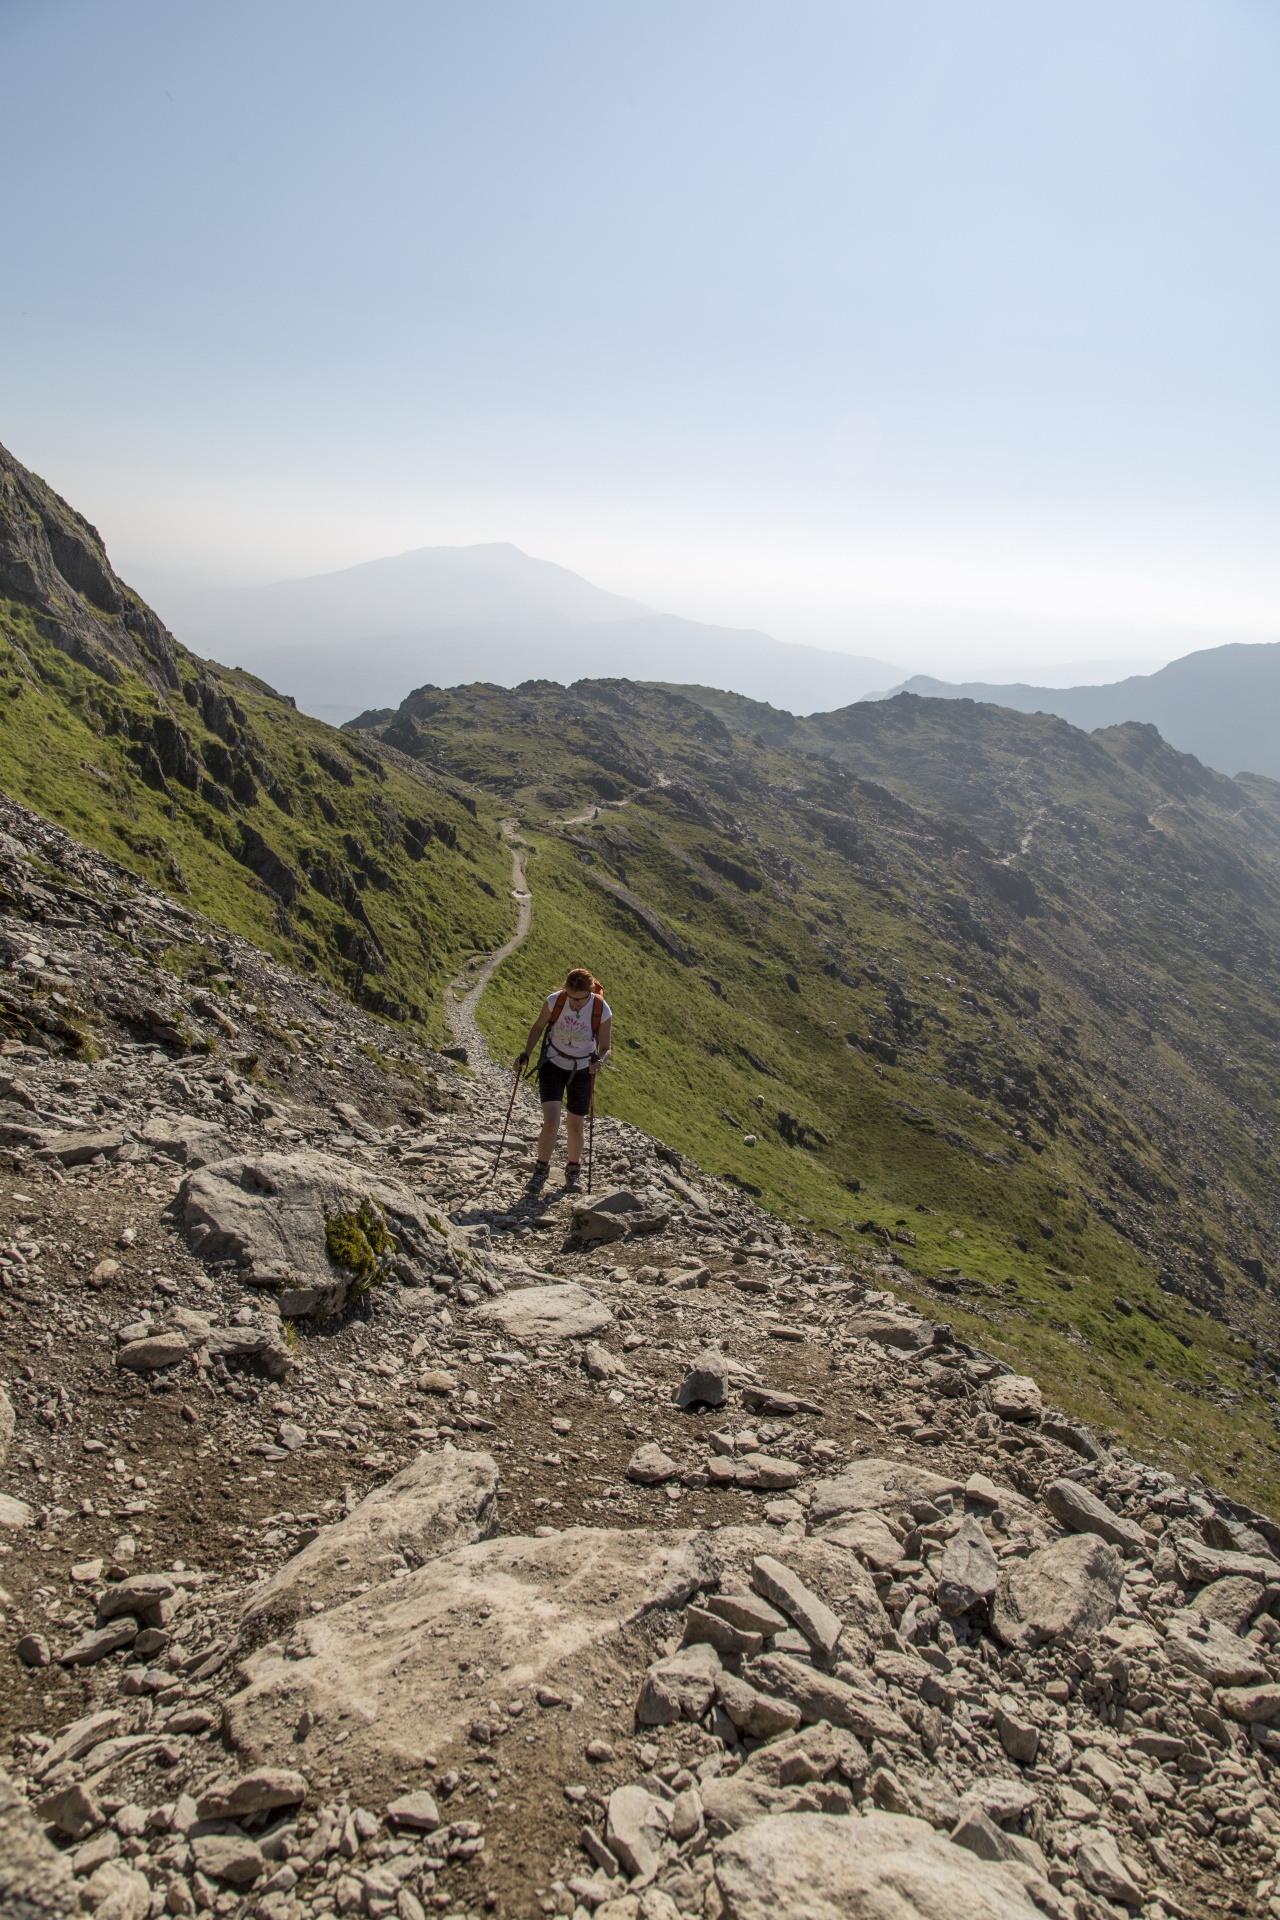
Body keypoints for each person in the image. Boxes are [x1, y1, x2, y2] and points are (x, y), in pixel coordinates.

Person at [517, 968, 612, 1187]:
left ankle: (573, 1170)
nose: (575, 1003)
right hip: (552, 1064)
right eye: (571, 997)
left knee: (575, 1126)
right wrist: (526, 1054)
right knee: (551, 1122)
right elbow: (539, 1026)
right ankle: (541, 1169)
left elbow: (606, 1047)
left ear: (589, 992)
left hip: (583, 1071)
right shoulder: (555, 1001)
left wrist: (600, 1061)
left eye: (580, 999)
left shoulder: (601, 1008)